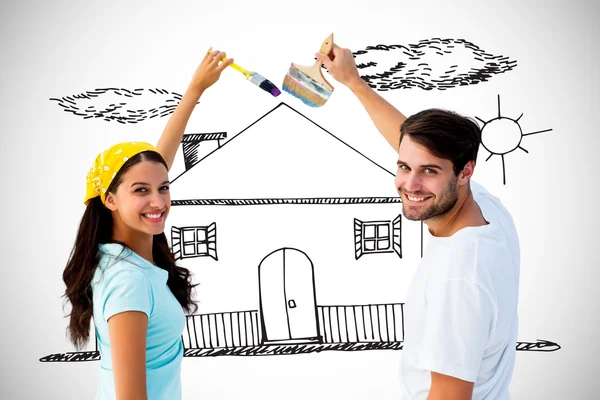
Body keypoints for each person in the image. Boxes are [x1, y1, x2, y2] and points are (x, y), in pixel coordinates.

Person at [317, 45, 520, 399]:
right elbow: (408, 139)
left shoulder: (458, 277)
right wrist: (354, 83)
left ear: (464, 172)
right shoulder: (486, 210)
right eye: (403, 167)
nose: (410, 185)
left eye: (428, 172)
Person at [61, 48, 234, 400]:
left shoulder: (122, 255)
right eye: (141, 191)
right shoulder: (128, 282)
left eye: (164, 188)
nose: (158, 202)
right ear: (110, 200)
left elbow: (156, 164)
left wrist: (195, 92)